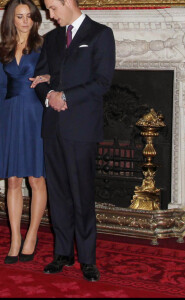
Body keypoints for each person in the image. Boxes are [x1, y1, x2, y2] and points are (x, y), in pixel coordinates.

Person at [33, 0, 115, 282]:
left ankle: (88, 260)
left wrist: (64, 96)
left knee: (82, 196)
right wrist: (48, 95)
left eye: (53, 8)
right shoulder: (51, 38)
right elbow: (40, 78)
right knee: (58, 196)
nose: (50, 15)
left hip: (81, 129)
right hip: (53, 128)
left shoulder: (100, 35)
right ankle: (63, 254)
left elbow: (103, 81)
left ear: (68, 2)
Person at [0, 0, 49, 264]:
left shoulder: (44, 47)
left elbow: (59, 75)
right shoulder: (3, 50)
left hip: (36, 115)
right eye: (19, 16)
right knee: (13, 181)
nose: (25, 21)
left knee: (36, 178)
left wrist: (49, 79)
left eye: (29, 16)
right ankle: (15, 239)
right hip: (9, 117)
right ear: (11, 19)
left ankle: (31, 235)